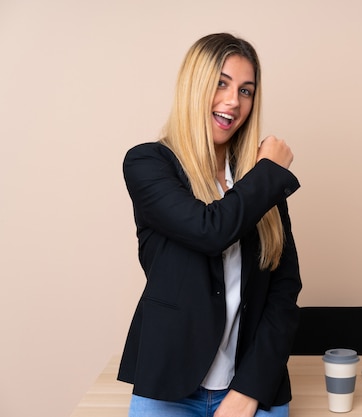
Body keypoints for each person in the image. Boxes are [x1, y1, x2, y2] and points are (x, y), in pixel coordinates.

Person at [117, 33, 302, 417]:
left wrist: (248, 391)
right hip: (170, 386)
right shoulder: (148, 165)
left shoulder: (256, 181)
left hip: (251, 386)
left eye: (246, 90)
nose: (234, 101)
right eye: (221, 83)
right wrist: (268, 173)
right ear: (193, 85)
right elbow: (210, 230)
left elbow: (284, 291)